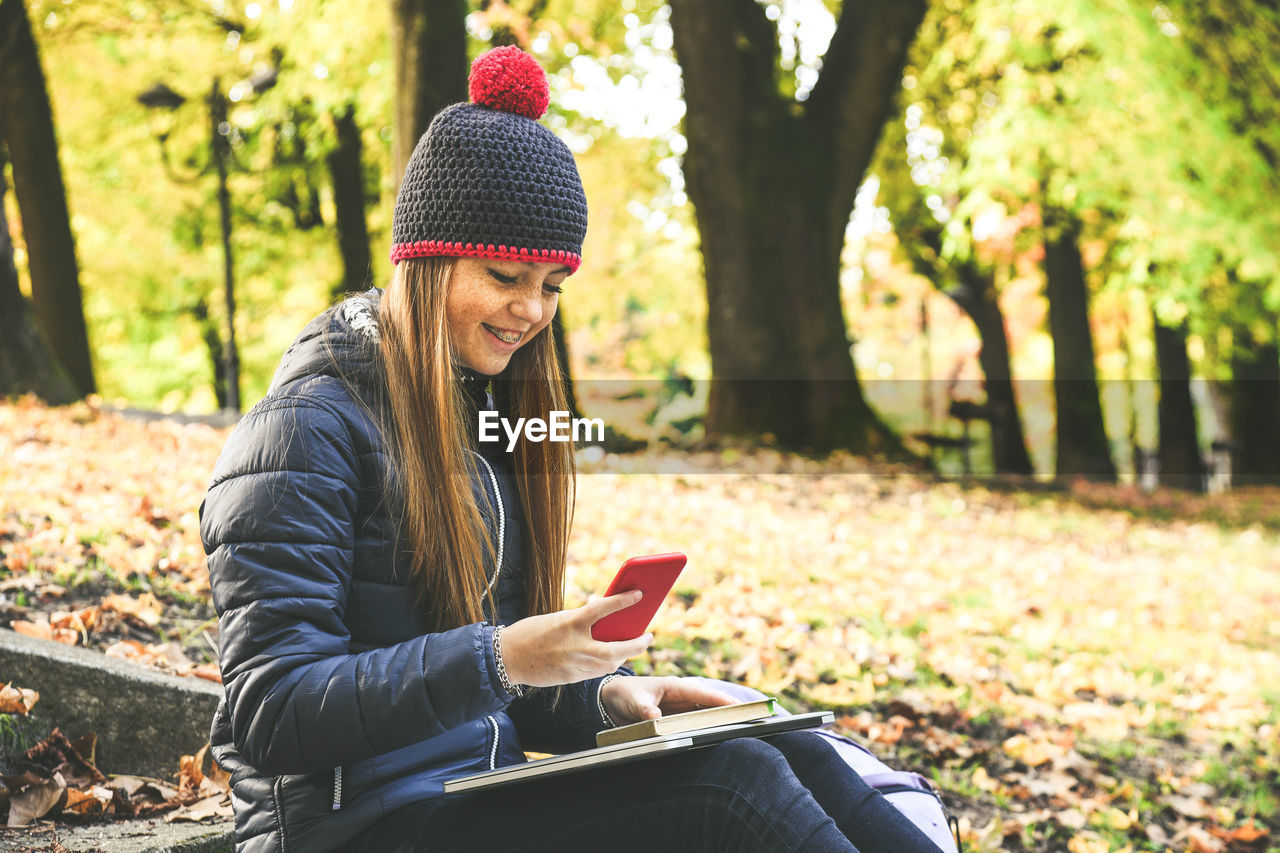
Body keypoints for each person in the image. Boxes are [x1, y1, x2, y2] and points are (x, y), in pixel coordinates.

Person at [200, 45, 945, 853]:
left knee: (768, 739)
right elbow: (269, 712)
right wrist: (500, 655)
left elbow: (497, 684)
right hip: (353, 828)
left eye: (552, 286)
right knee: (735, 789)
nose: (530, 311)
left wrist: (605, 697)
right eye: (505, 275)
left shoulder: (483, 427)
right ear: (427, 262)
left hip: (472, 794)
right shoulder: (301, 430)